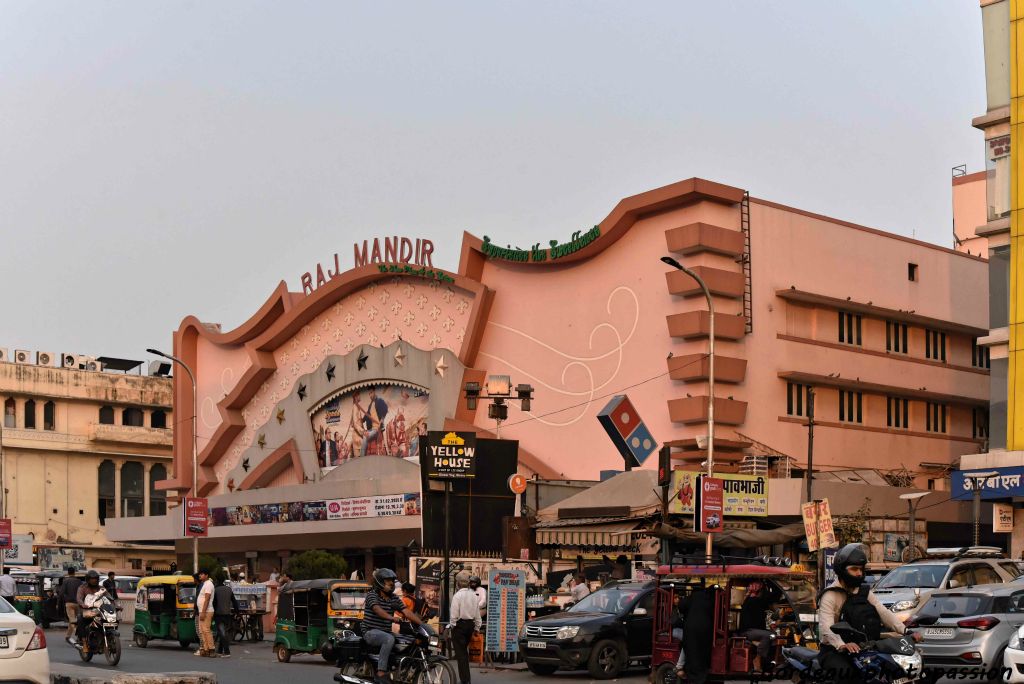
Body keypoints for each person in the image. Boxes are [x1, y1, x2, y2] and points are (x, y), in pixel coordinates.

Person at [819, 543, 921, 684]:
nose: (859, 573)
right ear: (841, 570)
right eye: (854, 569)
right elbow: (826, 627)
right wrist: (842, 645)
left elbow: (884, 613)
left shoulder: (864, 593)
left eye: (861, 569)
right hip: (835, 651)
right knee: (848, 676)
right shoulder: (830, 595)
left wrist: (906, 631)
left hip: (865, 647)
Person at [363, 568, 425, 684]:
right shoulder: (372, 595)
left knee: (407, 641)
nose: (391, 583)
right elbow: (377, 609)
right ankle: (381, 672)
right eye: (388, 580)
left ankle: (398, 671)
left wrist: (423, 625)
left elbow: (406, 611)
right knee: (389, 639)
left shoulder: (393, 598)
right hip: (370, 632)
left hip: (385, 631)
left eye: (392, 580)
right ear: (380, 581)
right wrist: (392, 618)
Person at [737, 580, 783, 672]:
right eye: (753, 583)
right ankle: (757, 658)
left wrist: (769, 580)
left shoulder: (762, 598)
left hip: (757, 630)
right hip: (748, 631)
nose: (755, 586)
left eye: (758, 584)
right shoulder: (750, 599)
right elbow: (776, 594)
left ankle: (769, 663)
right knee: (769, 635)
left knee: (774, 635)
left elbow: (777, 594)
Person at [448, 572, 481, 684]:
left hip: (459, 626)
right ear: (467, 583)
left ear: (457, 583)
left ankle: (465, 680)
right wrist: (477, 627)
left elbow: (453, 615)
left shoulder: (457, 596)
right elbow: (477, 614)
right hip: (470, 626)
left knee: (461, 654)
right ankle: (466, 679)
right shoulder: (473, 595)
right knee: (463, 653)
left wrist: (452, 626)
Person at [72, 570, 103, 649]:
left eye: (95, 578)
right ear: (88, 579)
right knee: (81, 620)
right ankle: (84, 642)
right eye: (92, 578)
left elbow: (109, 597)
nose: (94, 580)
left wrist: (116, 605)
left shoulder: (101, 588)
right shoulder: (82, 588)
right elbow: (79, 598)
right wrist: (82, 604)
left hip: (99, 611)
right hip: (86, 610)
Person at [213, 576, 238, 657]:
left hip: (218, 614)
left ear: (217, 581)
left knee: (222, 633)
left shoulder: (215, 590)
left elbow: (214, 603)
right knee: (223, 632)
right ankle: (220, 651)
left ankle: (227, 651)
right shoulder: (229, 589)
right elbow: (234, 602)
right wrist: (237, 612)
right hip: (227, 614)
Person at [194, 569, 216, 657]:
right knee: (201, 631)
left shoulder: (209, 584)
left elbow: (207, 599)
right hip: (202, 611)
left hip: (206, 611)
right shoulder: (205, 584)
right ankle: (206, 649)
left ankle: (212, 649)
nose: (200, 576)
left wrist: (203, 612)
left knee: (206, 630)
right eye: (200, 574)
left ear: (206, 575)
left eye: (202, 574)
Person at [62, 568, 83, 643]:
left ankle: (80, 636)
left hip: (69, 603)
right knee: (76, 620)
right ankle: (68, 636)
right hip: (78, 603)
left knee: (72, 620)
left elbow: (62, 593)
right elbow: (82, 592)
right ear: (74, 572)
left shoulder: (65, 581)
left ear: (68, 573)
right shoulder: (79, 581)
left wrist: (59, 603)